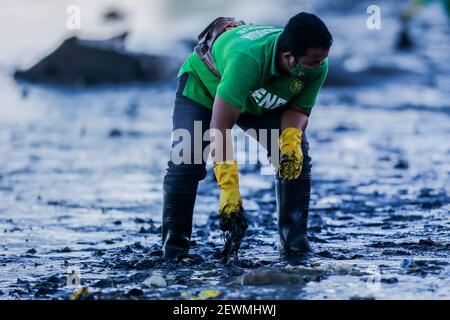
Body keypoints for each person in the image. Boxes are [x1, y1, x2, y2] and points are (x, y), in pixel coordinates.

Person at [161, 12, 333, 261]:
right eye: (312, 63)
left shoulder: (317, 64)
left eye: (322, 61)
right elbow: (220, 128)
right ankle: (174, 250)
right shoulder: (248, 58)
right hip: (205, 85)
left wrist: (290, 139)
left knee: (295, 157)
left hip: (256, 96)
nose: (319, 68)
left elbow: (298, 110)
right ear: (288, 57)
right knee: (186, 160)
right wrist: (229, 189)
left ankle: (294, 244)